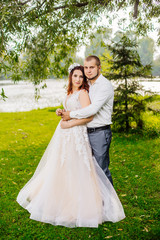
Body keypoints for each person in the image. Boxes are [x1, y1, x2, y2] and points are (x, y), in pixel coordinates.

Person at [16, 64, 125, 228]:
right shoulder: (70, 92)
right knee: (62, 165)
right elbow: (70, 110)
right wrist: (61, 111)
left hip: (76, 134)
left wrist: (70, 124)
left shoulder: (83, 93)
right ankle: (59, 198)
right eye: (75, 76)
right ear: (71, 77)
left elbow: (89, 116)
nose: (78, 79)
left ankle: (82, 204)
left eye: (81, 76)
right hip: (64, 135)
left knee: (77, 166)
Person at [61, 56, 114, 185]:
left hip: (99, 133)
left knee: (101, 170)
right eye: (86, 67)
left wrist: (70, 115)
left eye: (92, 67)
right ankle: (94, 202)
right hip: (84, 132)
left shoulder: (104, 86)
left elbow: (92, 110)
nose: (88, 71)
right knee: (87, 169)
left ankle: (109, 204)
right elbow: (79, 103)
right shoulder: (88, 84)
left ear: (99, 68)